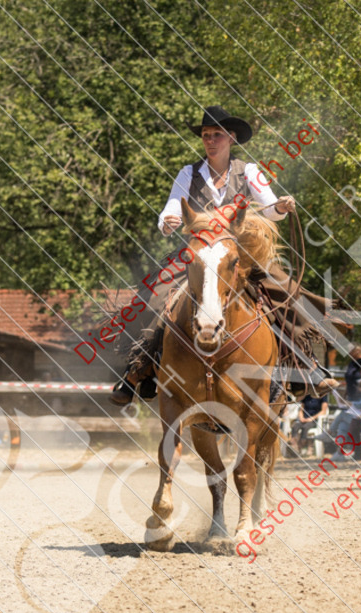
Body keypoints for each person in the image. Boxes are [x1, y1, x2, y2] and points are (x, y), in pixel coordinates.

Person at [109, 105, 340, 405]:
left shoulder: (251, 172)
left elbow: (269, 207)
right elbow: (170, 208)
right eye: (206, 135)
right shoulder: (188, 173)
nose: (210, 140)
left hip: (239, 255)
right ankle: (138, 369)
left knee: (286, 290)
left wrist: (281, 207)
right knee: (154, 295)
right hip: (199, 253)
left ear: (231, 138)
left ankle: (305, 365)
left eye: (217, 135)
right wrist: (167, 222)